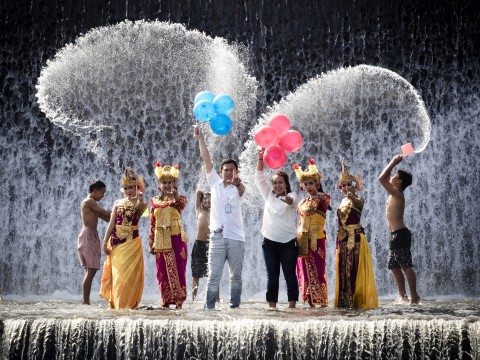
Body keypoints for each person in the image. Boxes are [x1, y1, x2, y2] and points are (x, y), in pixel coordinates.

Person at [194, 126, 246, 309]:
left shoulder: (238, 187)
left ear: (236, 172)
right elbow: (206, 159)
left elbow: (242, 191)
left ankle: (235, 306)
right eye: (226, 170)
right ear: (221, 171)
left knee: (236, 276)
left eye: (232, 170)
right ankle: (209, 308)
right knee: (213, 275)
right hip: (216, 237)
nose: (229, 173)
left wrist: (238, 184)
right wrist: (200, 138)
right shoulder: (214, 183)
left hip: (236, 238)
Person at [255, 148, 299, 309]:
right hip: (270, 243)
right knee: (272, 276)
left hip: (289, 243)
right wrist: (260, 157)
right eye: (274, 182)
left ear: (286, 184)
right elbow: (259, 178)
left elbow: (293, 202)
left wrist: (287, 200)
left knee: (289, 275)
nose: (277, 185)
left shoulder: (292, 195)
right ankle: (272, 307)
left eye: (280, 182)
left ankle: (292, 305)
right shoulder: (268, 195)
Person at [99, 167, 148, 309]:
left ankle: (129, 306)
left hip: (132, 245)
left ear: (137, 187)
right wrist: (104, 242)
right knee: (119, 278)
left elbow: (140, 212)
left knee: (129, 278)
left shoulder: (141, 204)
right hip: (116, 245)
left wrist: (140, 198)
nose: (128, 191)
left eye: (131, 187)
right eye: (126, 188)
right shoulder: (117, 203)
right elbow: (111, 224)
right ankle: (119, 306)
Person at [334, 164, 378, 309]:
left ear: (355, 186)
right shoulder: (342, 201)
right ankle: (345, 301)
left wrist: (352, 197)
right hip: (343, 239)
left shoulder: (358, 199)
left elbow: (359, 204)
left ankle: (357, 300)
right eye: (344, 185)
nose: (346, 188)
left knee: (353, 268)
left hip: (355, 238)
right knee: (343, 269)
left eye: (349, 185)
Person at [378, 154, 420, 304]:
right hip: (395, 235)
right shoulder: (394, 192)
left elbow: (381, 178)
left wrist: (393, 162)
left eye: (395, 176)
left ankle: (414, 296)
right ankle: (402, 296)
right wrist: (393, 166)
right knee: (395, 267)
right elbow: (387, 176)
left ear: (399, 181)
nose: (391, 177)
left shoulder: (397, 193)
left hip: (400, 234)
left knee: (405, 266)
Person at [148, 162, 188, 309]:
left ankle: (179, 302)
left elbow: (181, 204)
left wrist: (175, 195)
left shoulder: (179, 199)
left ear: (174, 183)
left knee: (178, 269)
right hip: (160, 241)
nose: (167, 185)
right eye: (164, 182)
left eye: (170, 182)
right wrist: (150, 242)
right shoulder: (154, 201)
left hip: (176, 238)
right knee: (162, 271)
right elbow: (151, 223)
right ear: (160, 184)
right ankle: (165, 301)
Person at [292, 159, 330, 307]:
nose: (308, 186)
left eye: (311, 183)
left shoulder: (323, 199)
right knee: (303, 270)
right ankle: (309, 302)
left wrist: (317, 176)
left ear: (317, 184)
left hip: (316, 238)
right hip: (302, 239)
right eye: (305, 184)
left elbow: (323, 198)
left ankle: (321, 301)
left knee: (318, 269)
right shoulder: (301, 203)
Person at [77, 180, 111, 305]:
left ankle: (86, 301)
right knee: (90, 271)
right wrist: (120, 208)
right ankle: (85, 302)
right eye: (102, 193)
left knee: (90, 270)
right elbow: (107, 213)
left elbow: (108, 219)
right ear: (95, 190)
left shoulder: (92, 205)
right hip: (88, 235)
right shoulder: (89, 201)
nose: (103, 196)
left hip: (91, 235)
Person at [192, 190, 220, 302]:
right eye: (205, 199)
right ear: (201, 201)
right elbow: (198, 192)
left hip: (211, 244)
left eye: (209, 199)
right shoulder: (198, 210)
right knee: (196, 274)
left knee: (213, 274)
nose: (207, 200)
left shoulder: (214, 212)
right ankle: (193, 298)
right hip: (199, 244)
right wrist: (204, 193)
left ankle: (217, 298)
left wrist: (213, 195)